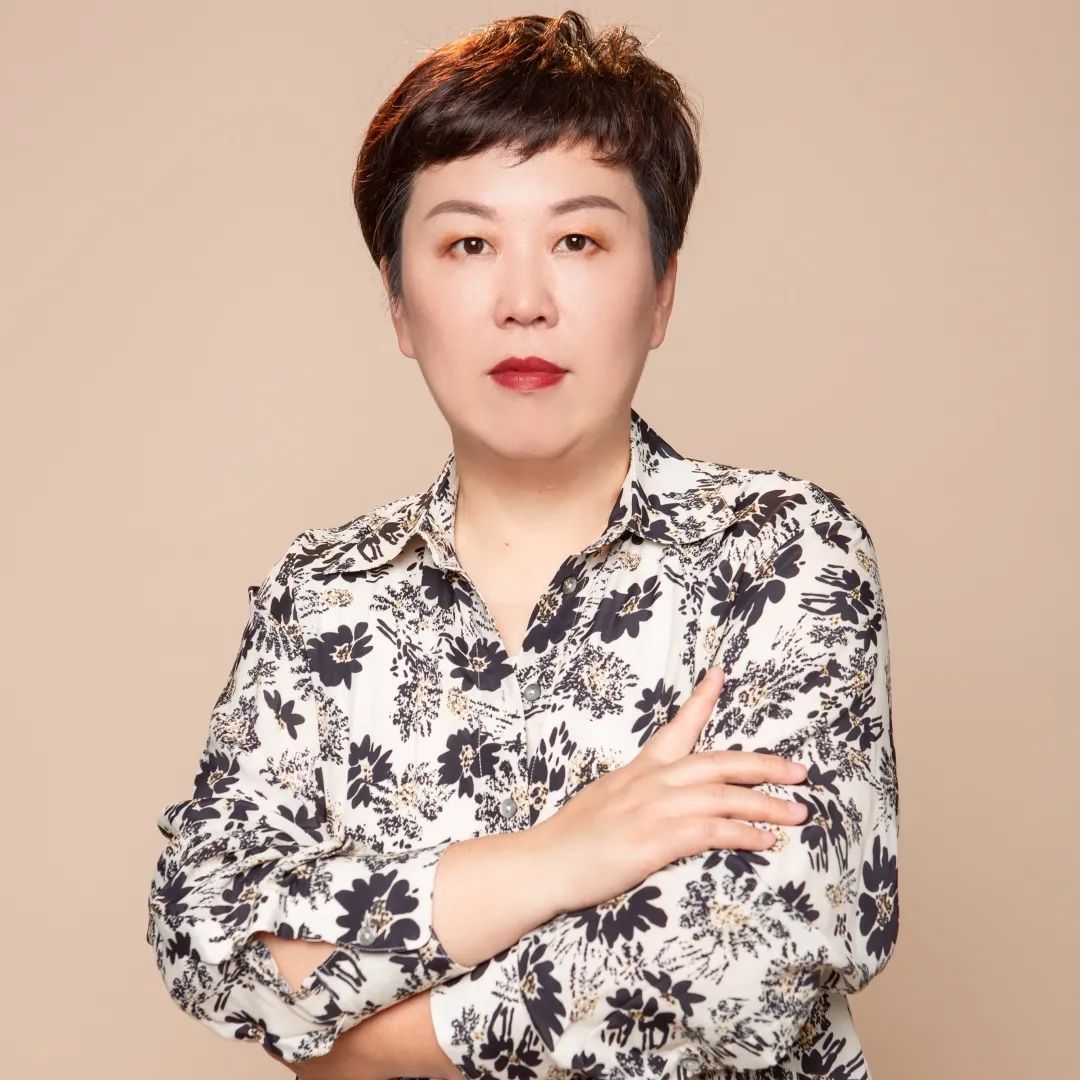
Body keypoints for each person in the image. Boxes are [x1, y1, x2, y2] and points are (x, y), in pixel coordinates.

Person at [146, 10, 899, 1080]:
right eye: (468, 244)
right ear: (398, 303)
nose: (524, 303)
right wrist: (558, 859)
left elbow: (749, 962)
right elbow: (209, 935)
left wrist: (369, 1045)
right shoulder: (320, 600)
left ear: (661, 291)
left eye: (579, 241)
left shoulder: (779, 556)